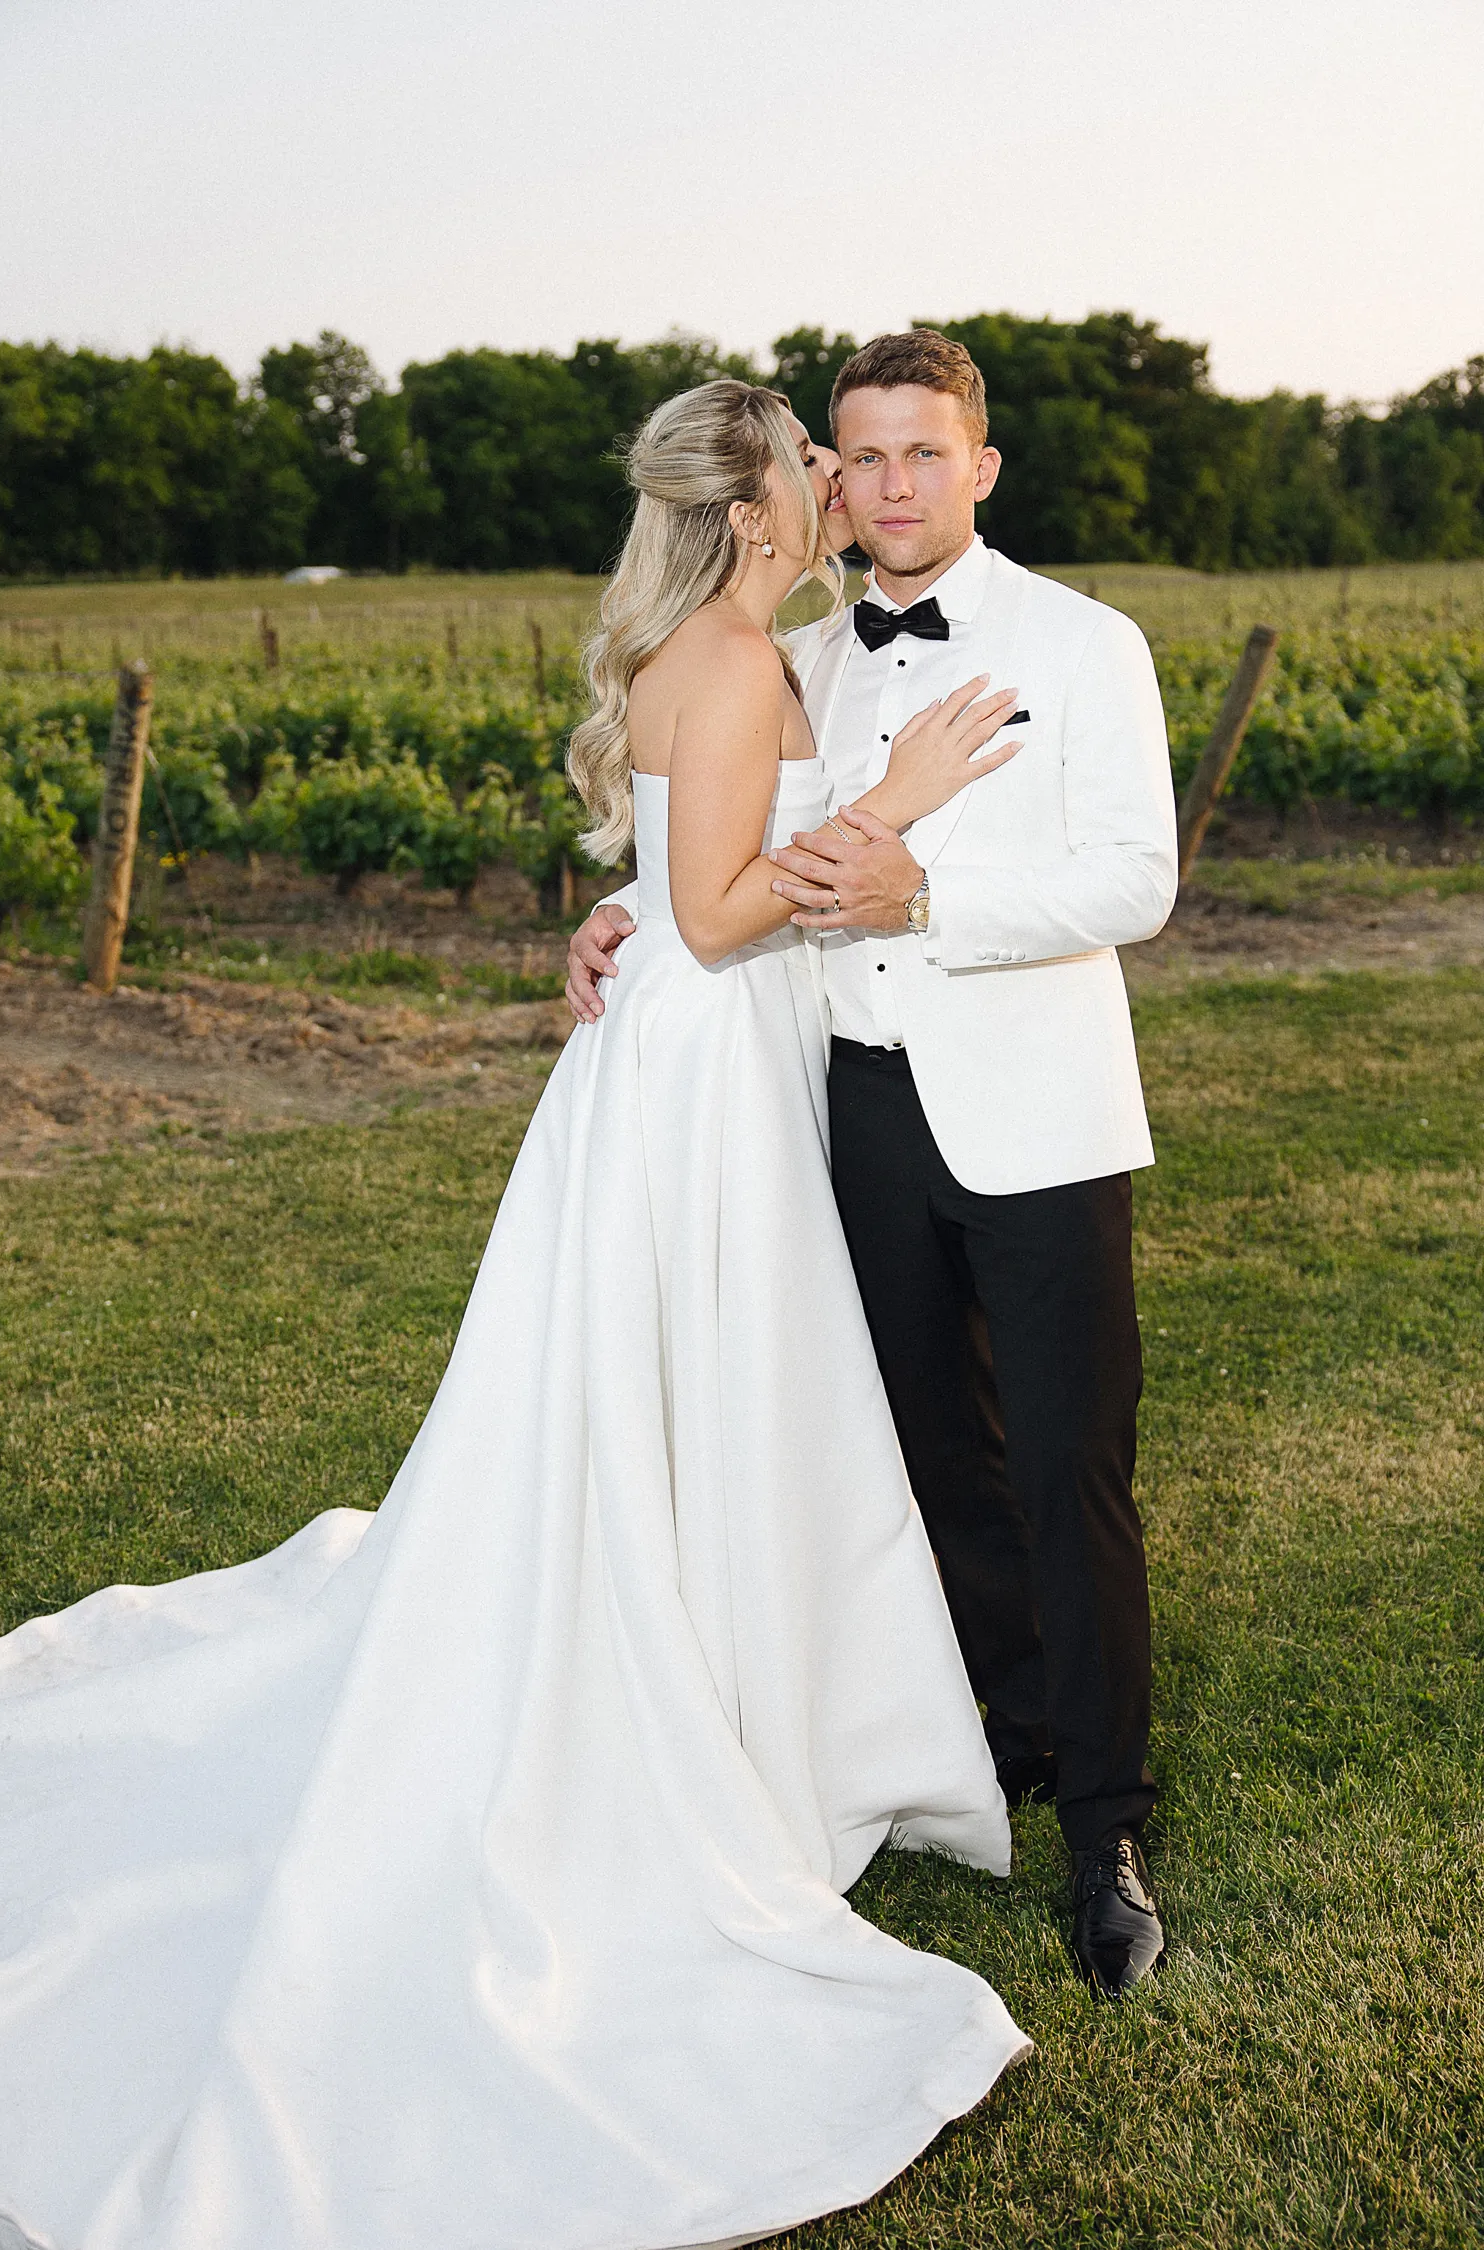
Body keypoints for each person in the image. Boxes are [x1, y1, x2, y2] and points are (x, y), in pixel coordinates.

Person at [0, 380, 1033, 2250]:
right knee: (695, 1392)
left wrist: (615, 910)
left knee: (699, 1398)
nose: (829, 476)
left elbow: (660, 890)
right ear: (763, 498)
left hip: (699, 1063)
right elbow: (711, 918)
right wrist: (900, 800)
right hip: (704, 1072)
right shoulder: (726, 660)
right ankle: (703, 1698)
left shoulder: (726, 644)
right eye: (810, 451)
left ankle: (749, 1661)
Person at [569, 330, 1180, 1998]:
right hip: (842, 1109)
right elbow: (733, 850)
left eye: (926, 452)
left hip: (1039, 1122)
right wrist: (617, 914)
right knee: (923, 1453)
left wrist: (933, 904)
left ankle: (1107, 1830)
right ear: (826, 475)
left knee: (1069, 1466)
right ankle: (1018, 1726)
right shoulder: (800, 654)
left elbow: (1138, 882)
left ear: (982, 463)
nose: (893, 484)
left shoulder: (1087, 641)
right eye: (864, 455)